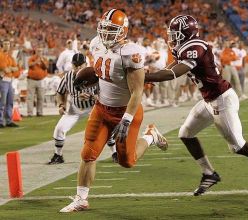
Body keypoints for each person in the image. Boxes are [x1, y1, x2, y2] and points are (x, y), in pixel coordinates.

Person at [145, 15, 248, 196]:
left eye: (176, 34)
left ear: (186, 33)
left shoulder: (195, 47)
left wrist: (146, 77)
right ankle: (209, 173)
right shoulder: (186, 47)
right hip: (209, 100)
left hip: (222, 100)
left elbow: (172, 74)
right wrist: (152, 75)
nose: (172, 38)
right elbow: (171, 67)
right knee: (185, 133)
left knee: (238, 146)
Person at [60, 9, 168, 212]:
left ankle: (151, 136)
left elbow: (137, 92)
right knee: (88, 153)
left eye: (112, 29)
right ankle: (81, 199)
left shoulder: (132, 53)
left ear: (123, 31)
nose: (106, 33)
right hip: (101, 108)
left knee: (127, 161)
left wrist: (126, 119)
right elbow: (102, 72)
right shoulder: (96, 44)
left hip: (125, 111)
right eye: (104, 28)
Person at [0, 39, 19, 128]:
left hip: (9, 80)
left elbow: (16, 69)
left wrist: (10, 68)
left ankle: (8, 120)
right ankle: (0, 121)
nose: (7, 45)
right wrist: (11, 68)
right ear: (2, 45)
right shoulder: (1, 55)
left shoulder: (10, 56)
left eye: (8, 44)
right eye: (5, 44)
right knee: (2, 101)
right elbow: (5, 69)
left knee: (10, 101)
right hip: (2, 80)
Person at [27, 47, 49, 117]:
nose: (39, 52)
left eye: (41, 51)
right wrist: (36, 62)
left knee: (41, 97)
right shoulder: (32, 58)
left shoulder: (44, 59)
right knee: (30, 97)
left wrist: (42, 61)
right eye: (38, 51)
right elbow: (29, 65)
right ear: (36, 51)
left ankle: (39, 112)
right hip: (31, 80)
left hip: (41, 80)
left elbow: (46, 67)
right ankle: (30, 113)